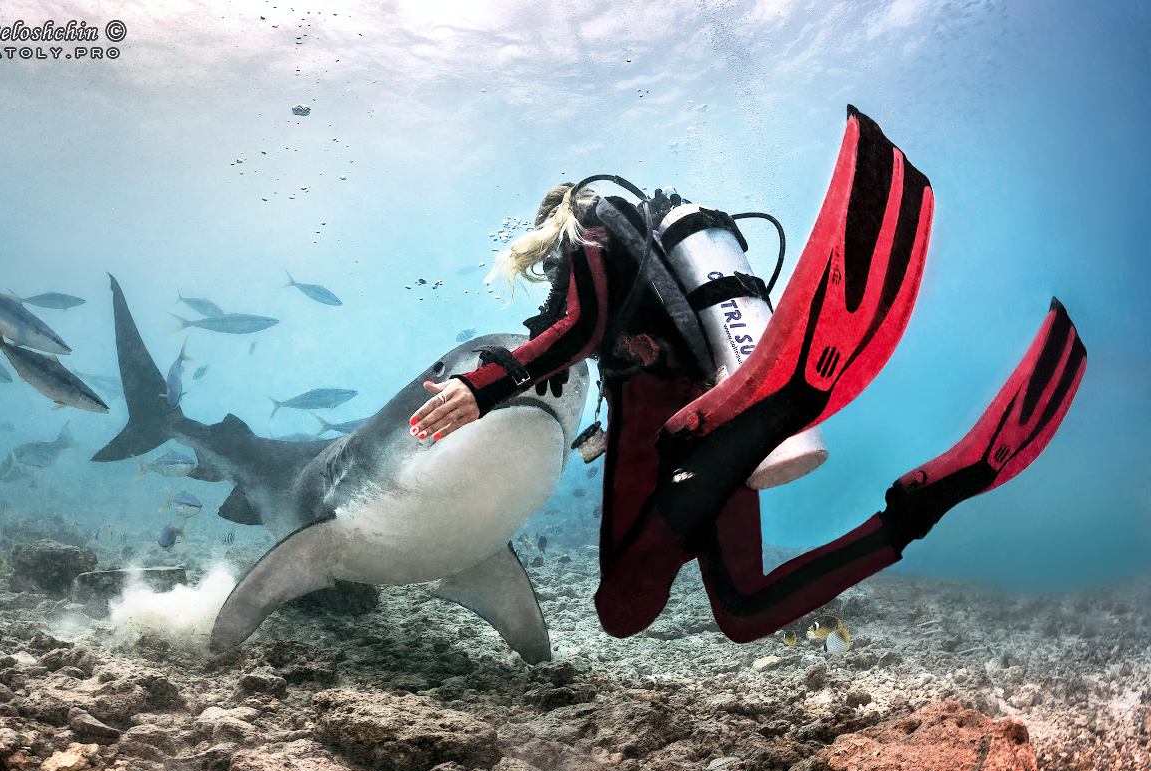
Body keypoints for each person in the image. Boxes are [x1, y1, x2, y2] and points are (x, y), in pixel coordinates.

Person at [410, 106, 1087, 643]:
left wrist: (483, 386)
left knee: (621, 608)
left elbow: (577, 331)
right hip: (722, 402)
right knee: (742, 608)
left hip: (681, 424)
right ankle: (914, 512)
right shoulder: (652, 249)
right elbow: (628, 337)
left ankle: (765, 414)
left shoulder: (586, 227)